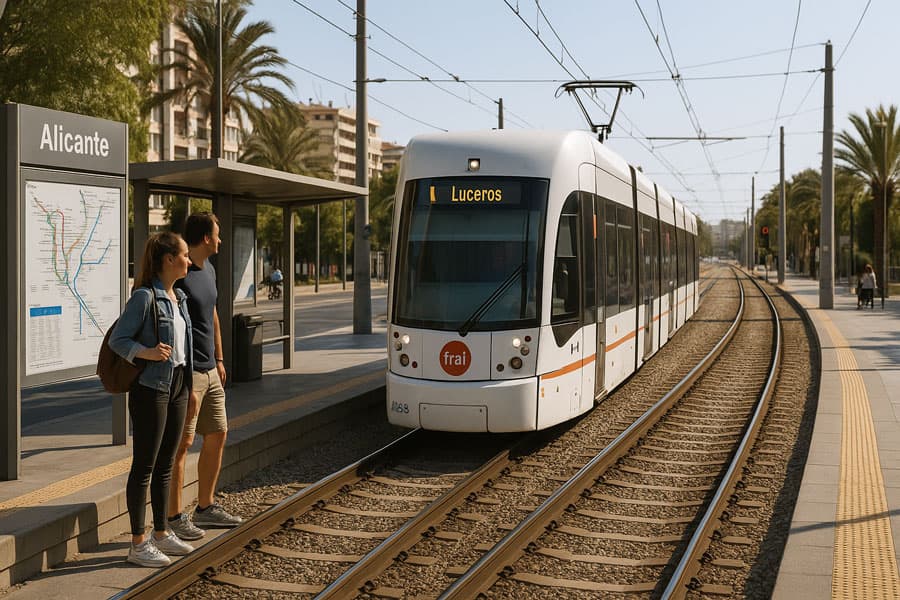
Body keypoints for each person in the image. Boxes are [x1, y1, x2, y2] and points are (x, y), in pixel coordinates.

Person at [108, 232, 195, 567]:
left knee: (166, 463)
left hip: (177, 384)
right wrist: (145, 352)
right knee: (144, 465)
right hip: (151, 388)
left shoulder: (180, 298)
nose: (189, 261)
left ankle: (161, 533)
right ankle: (137, 542)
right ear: (169, 259)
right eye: (184, 255)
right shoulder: (145, 297)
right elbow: (119, 339)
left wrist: (189, 388)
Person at [168, 213, 243, 541]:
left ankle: (206, 507)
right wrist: (184, 375)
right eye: (217, 234)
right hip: (188, 373)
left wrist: (220, 356)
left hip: (211, 369)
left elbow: (211, 313)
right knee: (180, 445)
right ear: (205, 239)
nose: (221, 240)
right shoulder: (180, 274)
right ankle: (173, 516)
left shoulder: (209, 270)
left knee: (218, 433)